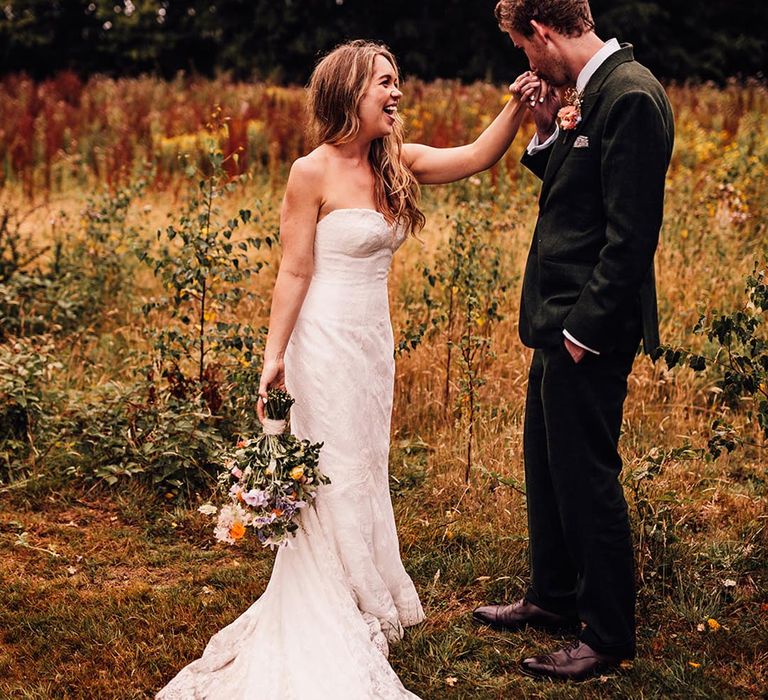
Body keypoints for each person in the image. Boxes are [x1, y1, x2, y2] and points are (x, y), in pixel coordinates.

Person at [157, 40, 534, 699]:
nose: (396, 94)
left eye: (397, 83)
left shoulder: (397, 164)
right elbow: (295, 270)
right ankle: (332, 599)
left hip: (371, 346)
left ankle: (367, 590)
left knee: (364, 466)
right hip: (323, 343)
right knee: (331, 470)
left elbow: (474, 157)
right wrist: (273, 358)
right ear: (347, 94)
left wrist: (517, 107)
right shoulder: (311, 172)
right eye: (383, 84)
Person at [472, 0, 675, 682]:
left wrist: (584, 332)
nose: (527, 65)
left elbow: (631, 233)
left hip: (589, 326)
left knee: (587, 476)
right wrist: (541, 129)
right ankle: (552, 597)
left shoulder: (630, 95)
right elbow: (578, 190)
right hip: (555, 319)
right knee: (546, 465)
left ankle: (607, 634)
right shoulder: (585, 96)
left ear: (544, 33)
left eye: (526, 49)